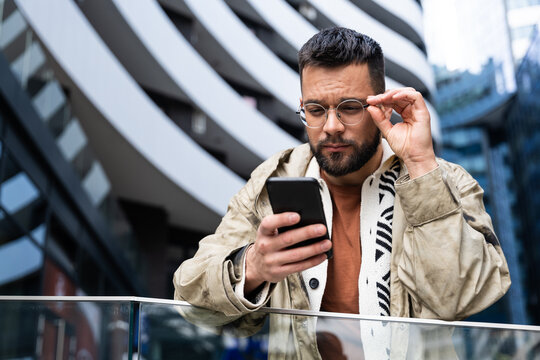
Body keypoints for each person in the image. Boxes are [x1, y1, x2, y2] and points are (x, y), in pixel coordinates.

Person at [173, 27, 510, 358]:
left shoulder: (444, 181)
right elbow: (189, 298)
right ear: (303, 106)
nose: (331, 126)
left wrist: (420, 163)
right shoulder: (271, 181)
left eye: (349, 107)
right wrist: (253, 269)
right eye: (316, 110)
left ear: (382, 106)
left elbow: (461, 298)